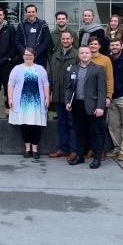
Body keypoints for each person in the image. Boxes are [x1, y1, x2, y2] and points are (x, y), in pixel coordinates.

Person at [65, 45, 107, 169]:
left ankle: (97, 158)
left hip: (93, 106)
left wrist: (100, 107)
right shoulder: (73, 69)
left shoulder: (98, 69)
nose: (84, 55)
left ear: (91, 54)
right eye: (82, 53)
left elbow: (102, 90)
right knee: (79, 132)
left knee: (96, 133)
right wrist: (68, 101)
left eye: (87, 53)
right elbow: (68, 88)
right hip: (77, 105)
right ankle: (80, 156)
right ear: (78, 55)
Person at [7, 47, 50, 159]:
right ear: (23, 56)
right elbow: (10, 84)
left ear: (34, 56)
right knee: (24, 125)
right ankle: (27, 149)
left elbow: (46, 84)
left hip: (37, 102)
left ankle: (35, 150)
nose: (28, 57)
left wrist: (47, 98)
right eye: (26, 54)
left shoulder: (40, 69)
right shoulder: (16, 69)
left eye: (30, 55)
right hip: (22, 103)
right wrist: (10, 98)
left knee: (36, 126)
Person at [48, 31, 78, 161]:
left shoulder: (77, 55)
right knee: (61, 123)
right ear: (60, 40)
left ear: (72, 39)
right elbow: (50, 75)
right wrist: (50, 92)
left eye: (67, 38)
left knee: (73, 124)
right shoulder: (55, 55)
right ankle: (63, 149)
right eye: (63, 39)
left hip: (71, 98)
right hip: (58, 95)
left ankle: (74, 150)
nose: (65, 40)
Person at [87, 36, 113, 159]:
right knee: (89, 127)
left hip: (101, 98)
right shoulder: (84, 58)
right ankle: (92, 149)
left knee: (100, 126)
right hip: (87, 99)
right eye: (91, 44)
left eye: (95, 44)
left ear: (99, 46)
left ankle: (100, 150)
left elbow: (109, 78)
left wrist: (108, 96)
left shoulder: (105, 60)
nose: (93, 46)